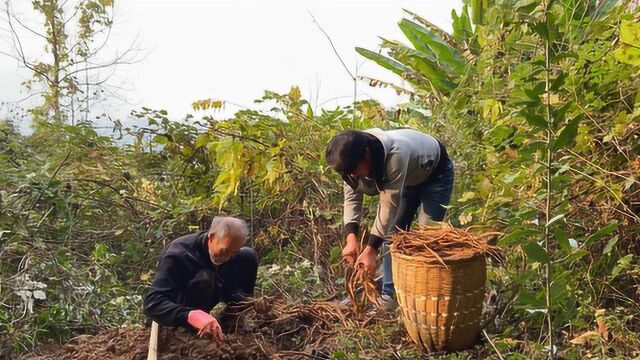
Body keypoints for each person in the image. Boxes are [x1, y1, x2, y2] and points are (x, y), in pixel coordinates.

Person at [325, 128, 454, 310]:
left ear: (367, 155)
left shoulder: (395, 155)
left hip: (435, 173)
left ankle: (425, 299)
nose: (353, 175)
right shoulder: (348, 160)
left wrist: (370, 250)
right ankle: (390, 294)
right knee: (393, 236)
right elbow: (352, 198)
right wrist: (351, 239)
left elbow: (388, 208)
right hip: (408, 177)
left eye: (355, 170)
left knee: (428, 237)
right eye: (347, 173)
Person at [143, 216, 268, 339]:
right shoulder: (178, 255)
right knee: (205, 277)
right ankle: (191, 330)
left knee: (247, 255)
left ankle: (231, 320)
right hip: (183, 309)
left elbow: (228, 293)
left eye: (233, 253)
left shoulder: (229, 255)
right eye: (225, 251)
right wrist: (190, 315)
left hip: (210, 296)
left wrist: (248, 301)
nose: (228, 257)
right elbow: (153, 304)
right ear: (212, 237)